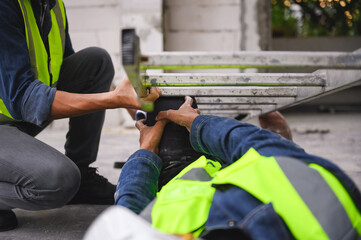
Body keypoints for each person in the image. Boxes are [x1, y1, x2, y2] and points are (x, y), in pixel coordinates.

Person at [85, 96, 361, 240]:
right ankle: (284, 140)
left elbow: (129, 205)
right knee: (179, 107)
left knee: (163, 109)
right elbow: (252, 142)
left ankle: (152, 121)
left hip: (173, 175)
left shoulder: (148, 228)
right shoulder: (329, 220)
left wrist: (145, 151)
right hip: (244, 165)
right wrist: (197, 124)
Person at [0, 0, 161, 232]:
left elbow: (74, 76)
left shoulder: (52, 6)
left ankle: (83, 176)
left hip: (13, 118)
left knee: (96, 62)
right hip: (14, 111)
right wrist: (115, 99)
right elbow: (24, 98)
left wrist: (130, 104)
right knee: (58, 181)